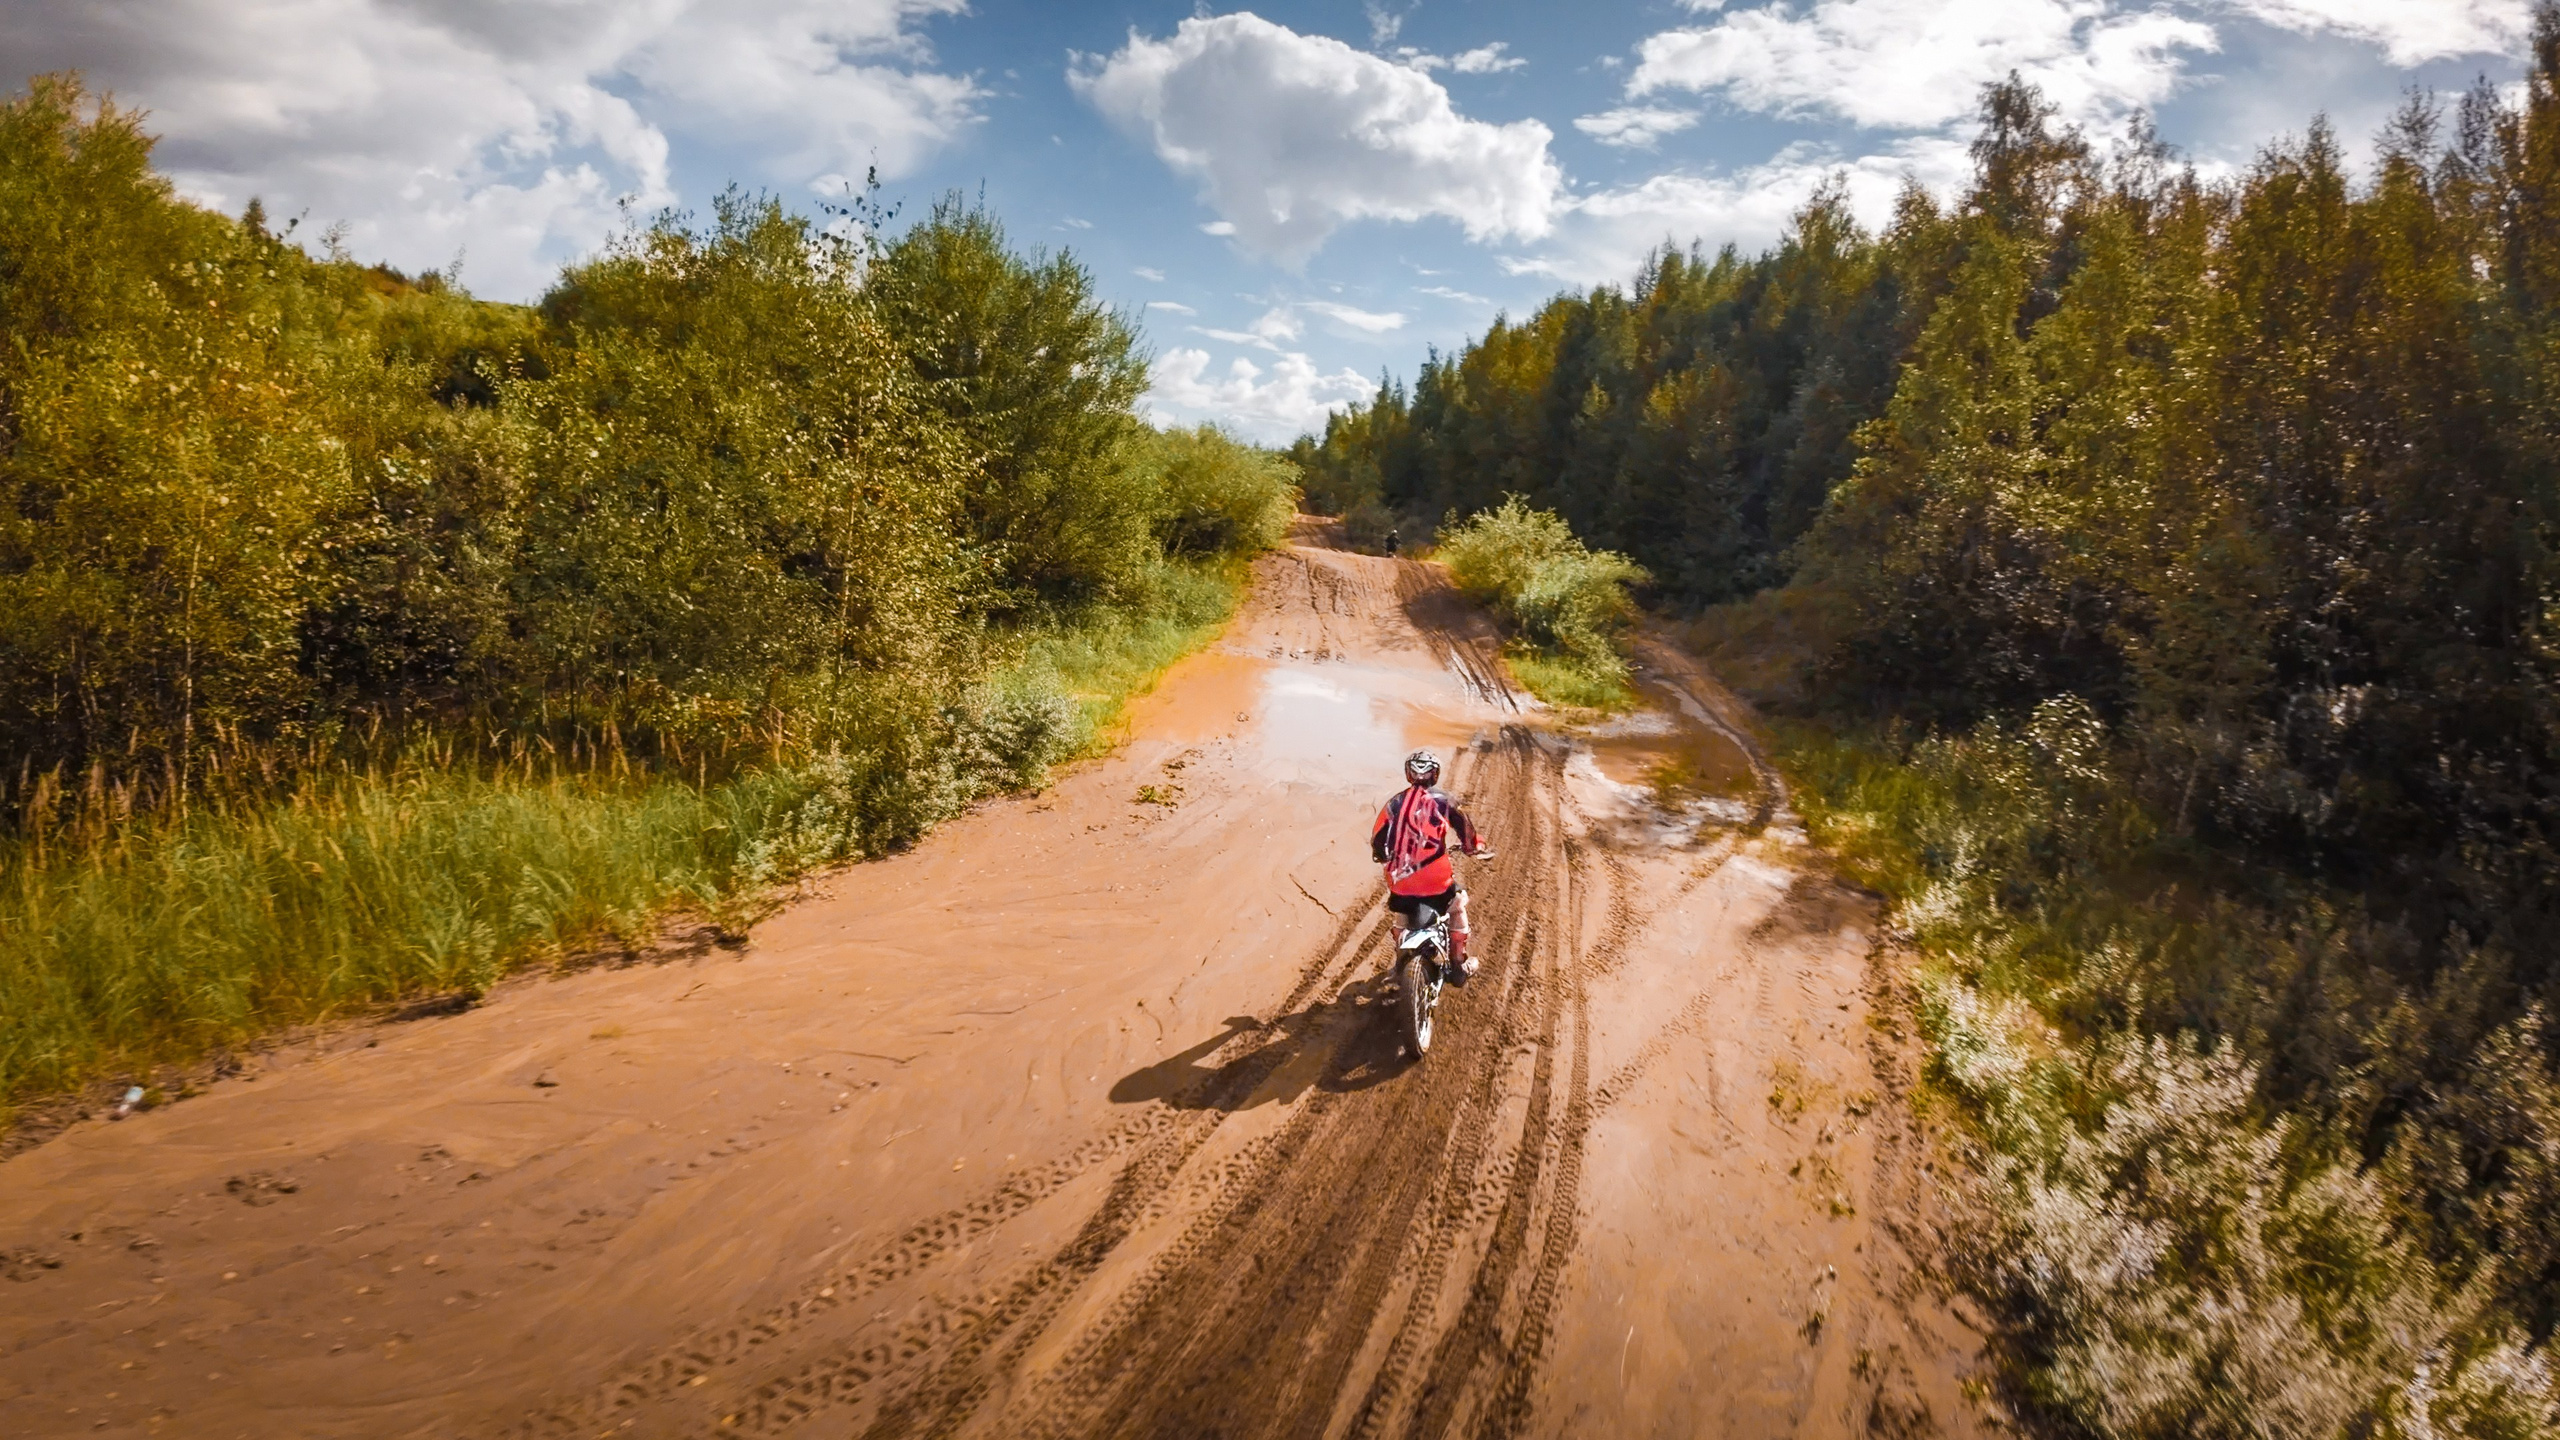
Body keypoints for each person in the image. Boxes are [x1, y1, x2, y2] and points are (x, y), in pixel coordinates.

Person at [1370, 749, 1489, 980]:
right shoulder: (1446, 802)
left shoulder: (1393, 804)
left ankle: (1399, 963)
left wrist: (1385, 857)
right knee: (1458, 904)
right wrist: (1474, 847)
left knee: (1401, 917)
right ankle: (1457, 965)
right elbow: (1468, 834)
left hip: (1400, 884)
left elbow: (1377, 840)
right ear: (1435, 774)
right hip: (1438, 882)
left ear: (1408, 774)